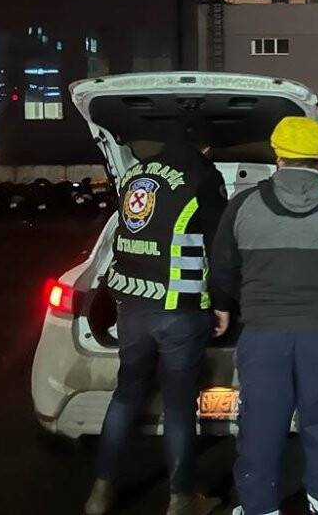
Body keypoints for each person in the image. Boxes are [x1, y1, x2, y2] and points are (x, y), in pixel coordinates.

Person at [210, 116, 318, 515]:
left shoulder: (244, 204)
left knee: (260, 428)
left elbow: (221, 268)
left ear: (278, 155)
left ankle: (258, 507)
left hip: (263, 337)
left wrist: (243, 304)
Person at [84, 140, 232, 515]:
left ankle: (100, 492)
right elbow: (220, 245)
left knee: (126, 395)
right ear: (206, 147)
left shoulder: (135, 174)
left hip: (131, 307)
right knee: (179, 406)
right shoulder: (202, 175)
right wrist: (222, 303)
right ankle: (181, 498)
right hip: (179, 310)